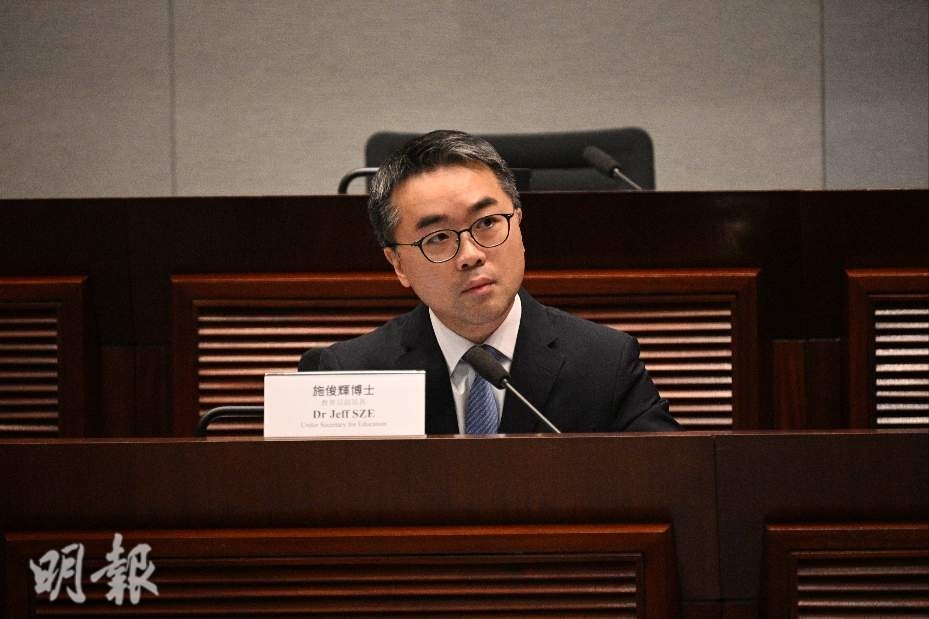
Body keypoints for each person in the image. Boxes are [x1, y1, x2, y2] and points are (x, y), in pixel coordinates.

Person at [303, 130, 679, 434]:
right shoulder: (351, 373)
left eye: (487, 223)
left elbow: (672, 484)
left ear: (519, 225)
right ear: (398, 264)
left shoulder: (605, 364)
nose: (470, 255)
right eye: (438, 237)